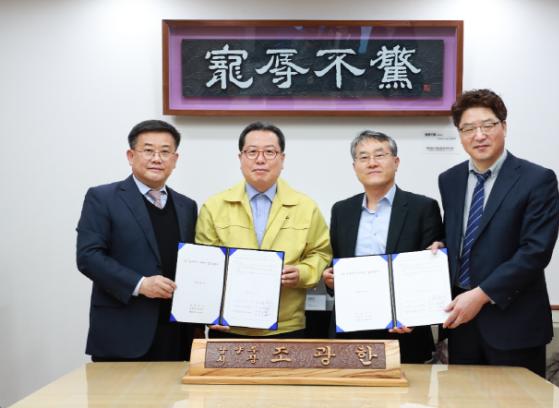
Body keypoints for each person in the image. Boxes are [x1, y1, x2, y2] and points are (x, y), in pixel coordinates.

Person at [434, 89, 559, 377]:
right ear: (460, 134)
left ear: (504, 126)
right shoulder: (450, 180)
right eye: (468, 128)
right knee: (464, 397)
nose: (479, 135)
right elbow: (460, 236)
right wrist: (441, 244)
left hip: (515, 322)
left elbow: (535, 251)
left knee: (518, 399)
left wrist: (481, 295)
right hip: (462, 322)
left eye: (487, 125)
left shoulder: (537, 179)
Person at [195, 121, 332, 338]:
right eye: (252, 152)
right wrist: (211, 313)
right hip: (229, 325)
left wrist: (302, 273)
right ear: (240, 158)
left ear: (282, 159)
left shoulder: (306, 207)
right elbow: (204, 266)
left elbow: (321, 253)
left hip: (286, 326)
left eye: (269, 152)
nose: (260, 159)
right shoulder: (214, 206)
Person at [76, 120, 198, 361]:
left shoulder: (187, 206)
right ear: (131, 156)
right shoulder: (102, 198)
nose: (157, 158)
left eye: (165, 152)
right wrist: (140, 284)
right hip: (123, 331)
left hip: (176, 333)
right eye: (148, 150)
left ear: (175, 159)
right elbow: (88, 257)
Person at [322, 130, 444, 363]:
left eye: (380, 155)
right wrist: (329, 278)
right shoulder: (342, 211)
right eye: (363, 157)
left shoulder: (422, 208)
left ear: (396, 162)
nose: (372, 163)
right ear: (355, 167)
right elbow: (335, 261)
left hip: (404, 330)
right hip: (351, 328)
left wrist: (414, 316)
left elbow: (430, 269)